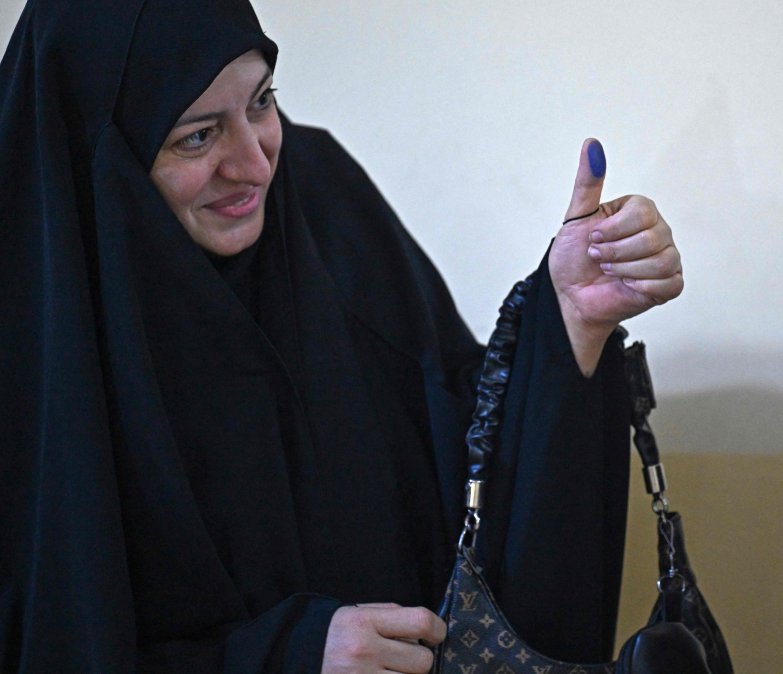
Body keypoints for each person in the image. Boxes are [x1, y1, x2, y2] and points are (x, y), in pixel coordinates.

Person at [0, 0, 683, 671]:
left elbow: (458, 444)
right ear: (102, 153)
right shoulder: (35, 338)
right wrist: (284, 658)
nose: (256, 162)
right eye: (198, 136)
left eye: (262, 101)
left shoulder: (318, 200)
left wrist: (567, 321)